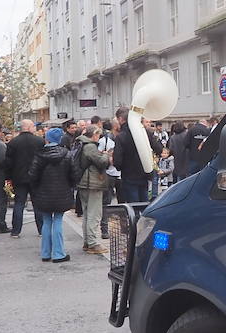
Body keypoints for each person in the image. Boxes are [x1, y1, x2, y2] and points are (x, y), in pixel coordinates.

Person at [28, 127, 76, 263]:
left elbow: (32, 175)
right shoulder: (67, 154)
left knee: (47, 220)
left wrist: (36, 189)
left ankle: (45, 252)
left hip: (43, 194)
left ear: (47, 139)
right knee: (58, 220)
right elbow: (74, 175)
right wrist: (69, 186)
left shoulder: (39, 155)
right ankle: (58, 253)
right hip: (62, 193)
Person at [4, 118, 43, 237]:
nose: (35, 128)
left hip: (18, 177)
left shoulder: (13, 143)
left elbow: (8, 163)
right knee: (38, 204)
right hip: (36, 177)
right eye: (33, 126)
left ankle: (16, 231)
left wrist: (8, 177)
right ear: (29, 127)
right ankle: (41, 229)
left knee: (19, 203)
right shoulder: (39, 141)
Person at [76, 125, 110, 254]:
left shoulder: (81, 143)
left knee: (87, 213)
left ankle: (87, 242)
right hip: (91, 182)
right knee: (94, 214)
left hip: (84, 182)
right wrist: (106, 156)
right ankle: (92, 243)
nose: (99, 137)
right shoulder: (90, 146)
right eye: (98, 135)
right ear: (94, 134)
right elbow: (101, 162)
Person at [111, 106, 151, 203]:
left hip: (128, 175)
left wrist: (118, 166)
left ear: (120, 119)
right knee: (144, 202)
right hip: (144, 173)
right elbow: (157, 148)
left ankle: (136, 218)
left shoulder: (121, 136)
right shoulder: (143, 132)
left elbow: (117, 160)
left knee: (133, 205)